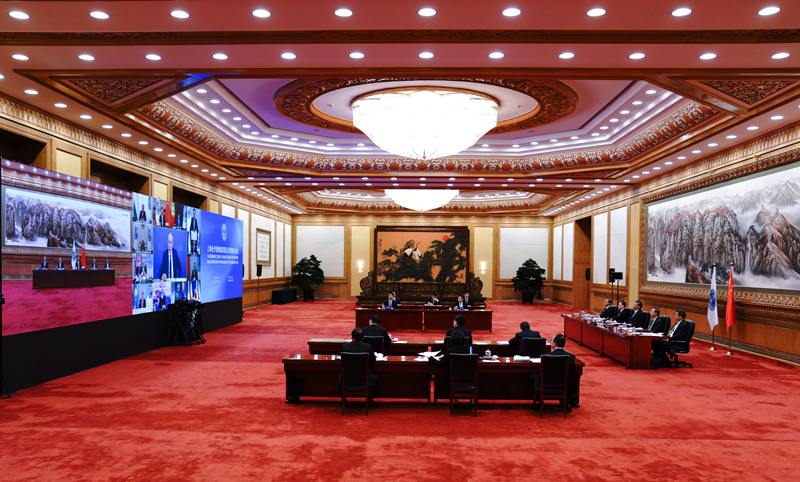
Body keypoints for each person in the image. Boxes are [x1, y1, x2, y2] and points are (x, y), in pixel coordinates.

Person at [529, 334, 577, 412]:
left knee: (532, 377)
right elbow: (572, 373)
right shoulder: (571, 357)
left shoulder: (546, 356)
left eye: (551, 341)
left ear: (554, 343)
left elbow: (541, 374)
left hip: (546, 386)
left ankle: (541, 403)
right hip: (563, 386)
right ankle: (567, 402)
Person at [338, 328, 380, 399]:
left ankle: (344, 401)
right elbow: (373, 359)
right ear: (363, 338)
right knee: (376, 378)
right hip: (364, 376)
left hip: (348, 376)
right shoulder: (367, 347)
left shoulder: (345, 347)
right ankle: (370, 400)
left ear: (352, 337)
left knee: (339, 377)